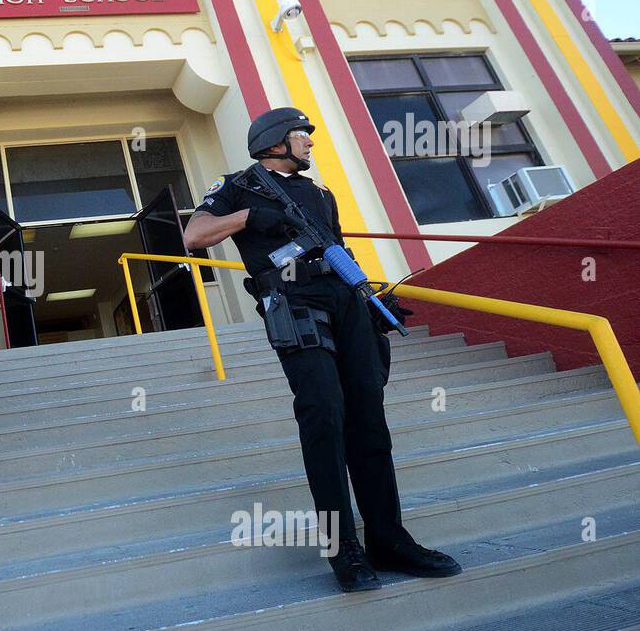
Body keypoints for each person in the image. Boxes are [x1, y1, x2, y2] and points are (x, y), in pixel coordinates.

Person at [182, 107, 462, 592]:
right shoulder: (237, 185)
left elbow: (338, 250)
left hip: (345, 300)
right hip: (293, 302)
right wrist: (248, 216)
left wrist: (370, 300)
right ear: (273, 142)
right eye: (300, 135)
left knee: (369, 422)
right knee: (324, 418)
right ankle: (343, 548)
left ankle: (388, 539)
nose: (310, 143)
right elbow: (194, 236)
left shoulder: (320, 194)